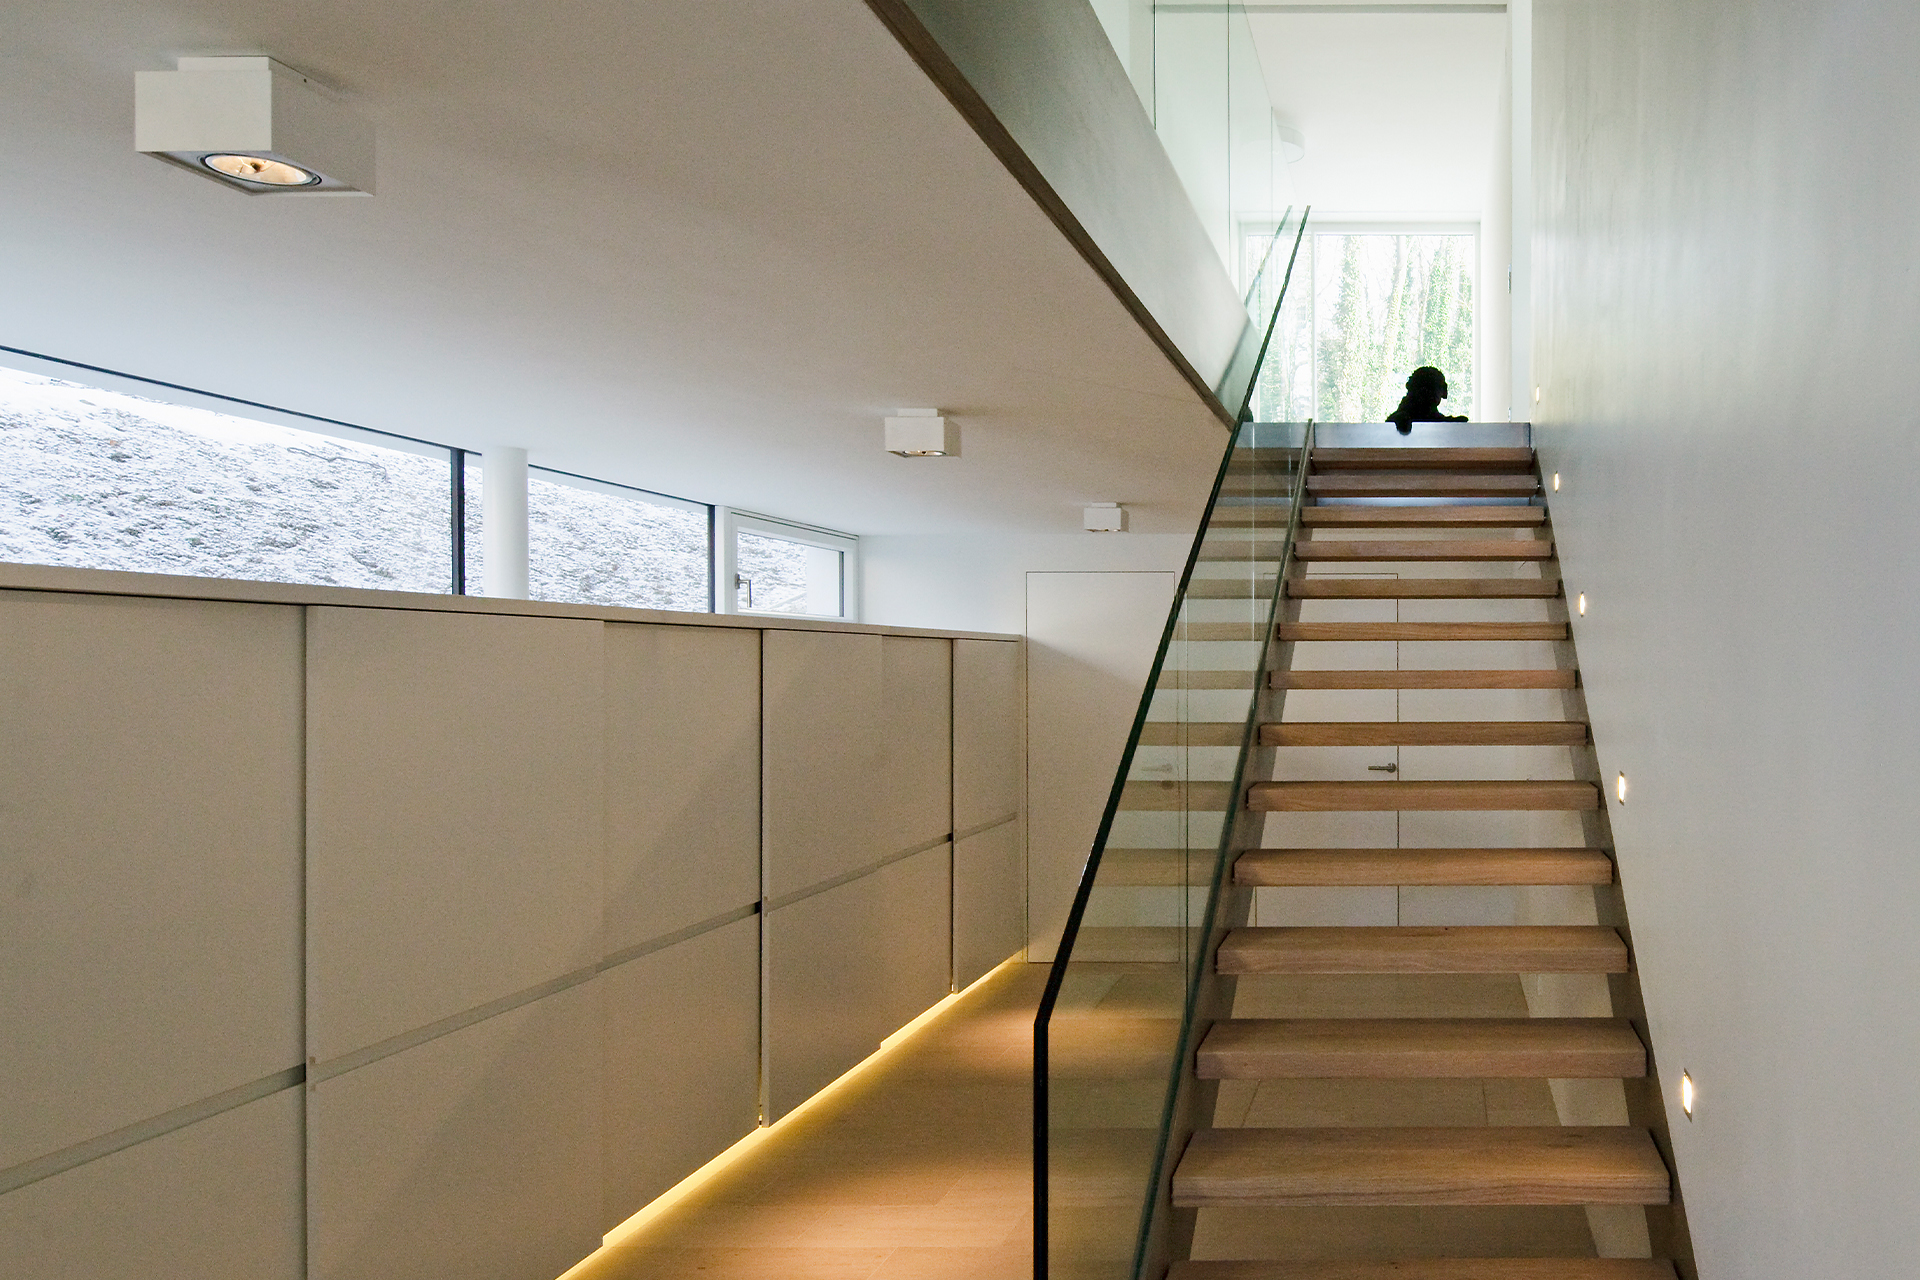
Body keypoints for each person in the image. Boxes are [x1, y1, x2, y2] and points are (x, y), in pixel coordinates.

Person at [1386, 366, 1468, 433]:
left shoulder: (1405, 412)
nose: (1427, 394)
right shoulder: (1401, 416)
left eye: (1432, 388)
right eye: (1423, 389)